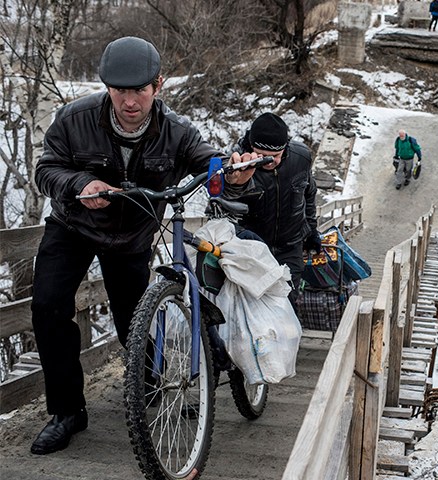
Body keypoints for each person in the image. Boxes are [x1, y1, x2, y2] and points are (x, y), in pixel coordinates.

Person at [29, 36, 255, 456]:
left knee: (132, 320)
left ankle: (149, 389)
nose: (129, 102)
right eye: (120, 91)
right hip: (73, 224)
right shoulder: (74, 118)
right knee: (47, 305)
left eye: (139, 90)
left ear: (159, 85)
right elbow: (46, 168)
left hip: (130, 236)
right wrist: (80, 184)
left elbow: (209, 162)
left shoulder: (178, 132)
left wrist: (233, 173)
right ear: (107, 87)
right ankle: (67, 412)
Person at [231, 112, 319, 310]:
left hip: (290, 245)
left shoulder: (301, 157)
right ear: (251, 148)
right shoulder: (237, 164)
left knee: (287, 303)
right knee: (255, 305)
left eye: (275, 157)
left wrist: (312, 231)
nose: (269, 162)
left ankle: (288, 340)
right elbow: (222, 202)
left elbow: (309, 194)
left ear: (285, 147)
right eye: (262, 157)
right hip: (252, 249)